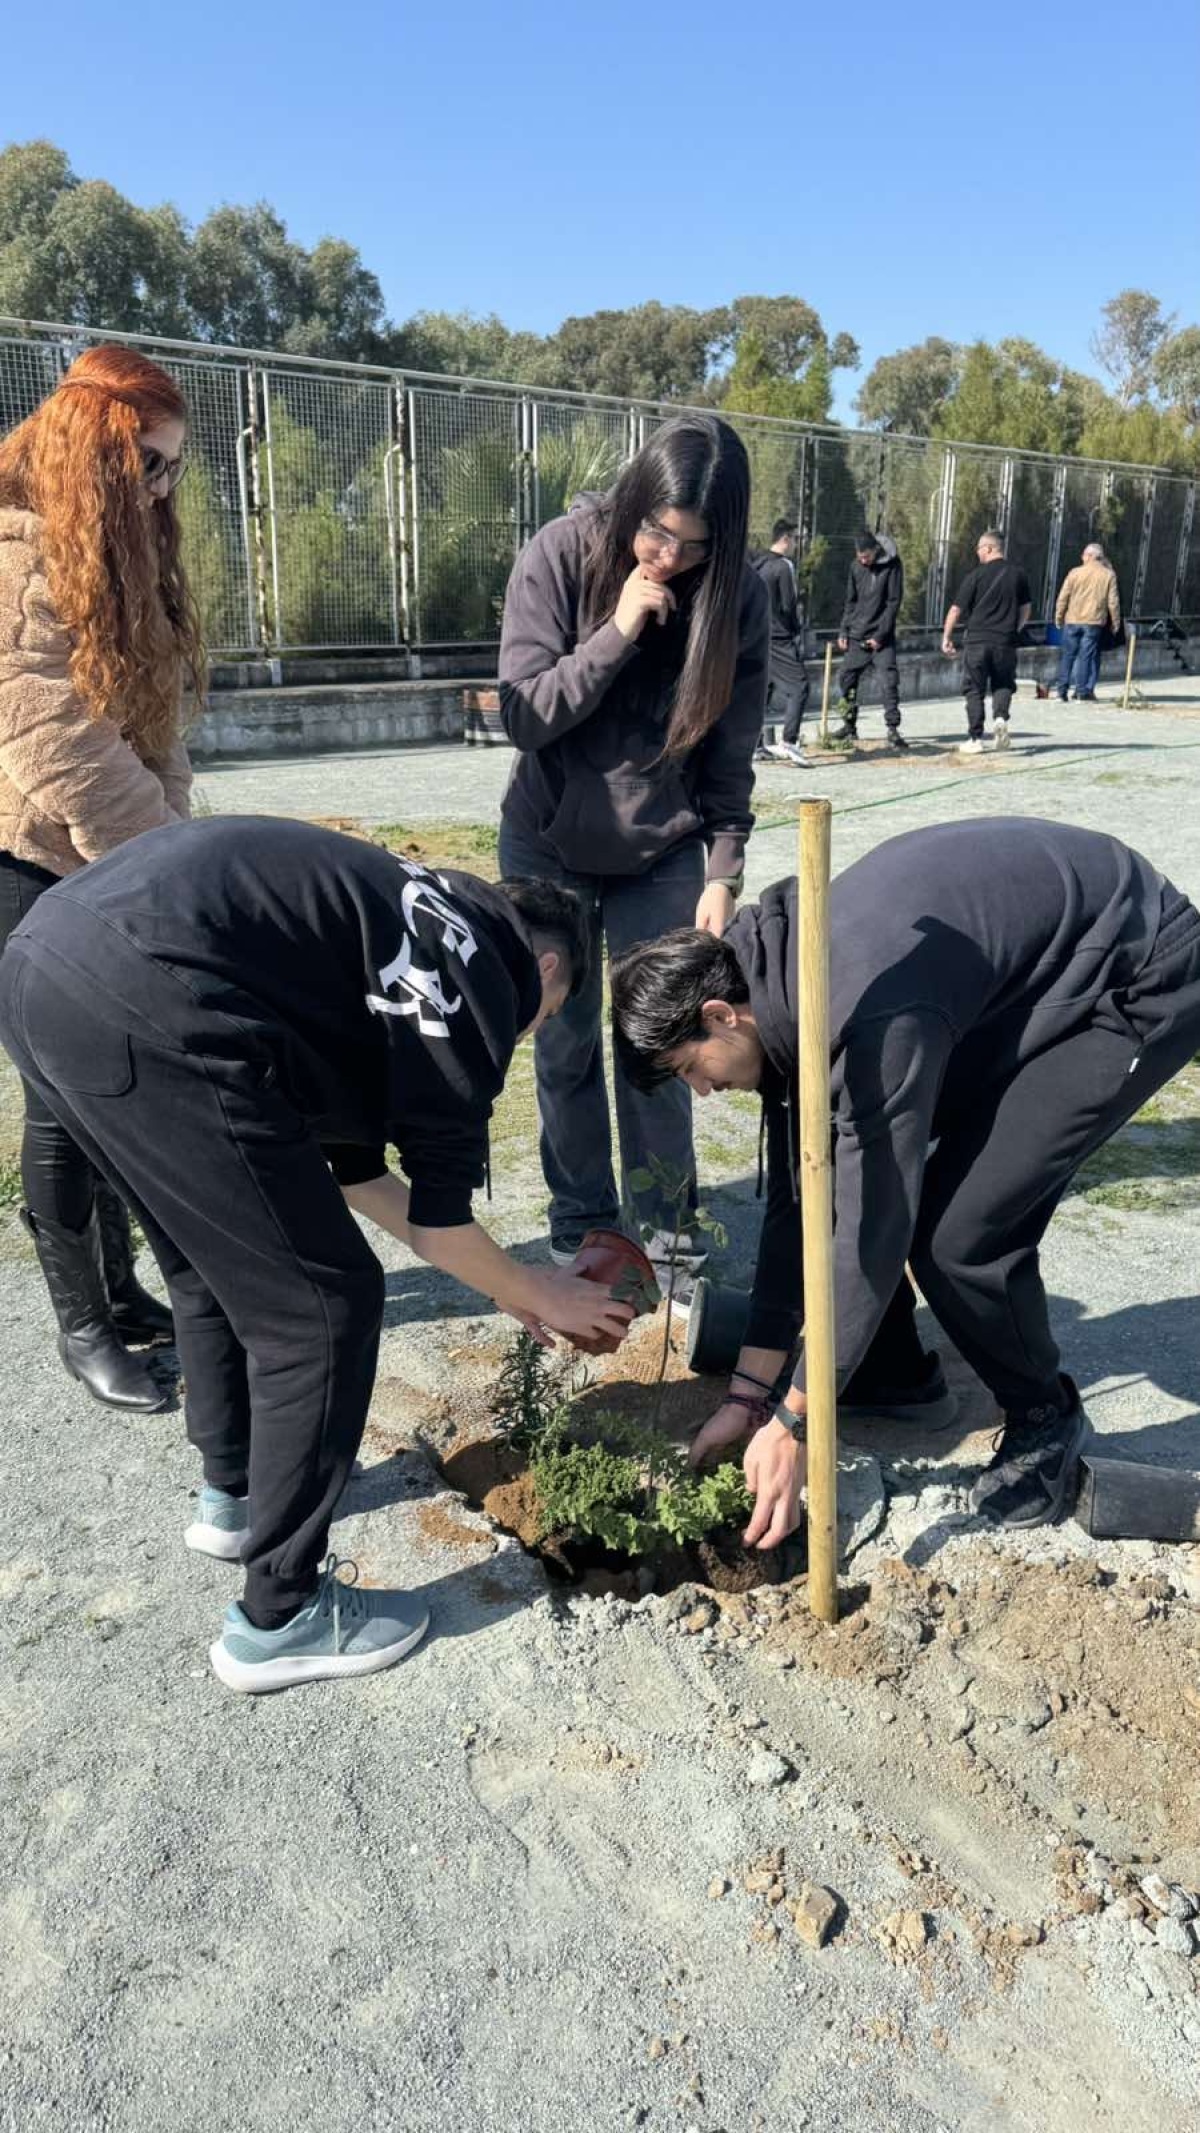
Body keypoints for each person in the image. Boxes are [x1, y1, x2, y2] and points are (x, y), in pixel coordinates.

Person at [0, 817, 633, 1691]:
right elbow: (439, 1222)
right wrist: (537, 1287)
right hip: (149, 988)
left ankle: (236, 1495)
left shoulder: (407, 917)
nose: (525, 1037)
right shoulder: (481, 975)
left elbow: (357, 1177)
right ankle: (282, 1615)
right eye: (546, 1020)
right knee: (323, 1307)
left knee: (207, 1259)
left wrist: (505, 1283)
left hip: (41, 961)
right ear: (548, 968)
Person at [611, 817, 1200, 1550]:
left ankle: (1045, 1418)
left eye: (688, 1070)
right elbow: (801, 1201)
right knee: (849, 1186)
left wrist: (797, 1422)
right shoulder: (772, 986)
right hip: (1024, 969)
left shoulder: (863, 1016)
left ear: (719, 1016)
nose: (701, 1091)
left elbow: (873, 1225)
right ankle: (890, 1370)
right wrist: (751, 1395)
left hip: (1133, 972)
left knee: (960, 1234)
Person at [497, 412, 768, 1305]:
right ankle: (585, 1223)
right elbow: (524, 715)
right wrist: (614, 632)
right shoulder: (559, 553)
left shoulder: (738, 596)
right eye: (656, 532)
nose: (668, 557)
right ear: (633, 501)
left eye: (694, 546)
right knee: (564, 1043)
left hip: (665, 849)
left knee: (657, 1047)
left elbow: (731, 752)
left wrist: (723, 869)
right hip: (548, 843)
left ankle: (669, 1237)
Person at [0, 343, 202, 1415]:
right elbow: (56, 738)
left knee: (107, 1087)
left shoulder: (114, 556)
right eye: (149, 466)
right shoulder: (12, 552)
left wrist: (177, 843)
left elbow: (152, 724)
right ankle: (83, 1322)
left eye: (174, 468)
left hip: (102, 861)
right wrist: (156, 865)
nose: (163, 490)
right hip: (20, 859)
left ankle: (121, 1294)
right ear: (94, 454)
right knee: (62, 1099)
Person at [942, 530, 1031, 754]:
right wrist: (1015, 629)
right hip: (1005, 641)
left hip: (977, 641)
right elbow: (1026, 609)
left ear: (989, 548)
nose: (977, 552)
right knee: (1003, 683)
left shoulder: (975, 576)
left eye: (979, 548)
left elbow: (956, 609)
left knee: (974, 688)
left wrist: (947, 637)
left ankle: (975, 738)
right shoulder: (1018, 575)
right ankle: (1000, 719)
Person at [831, 530, 908, 751]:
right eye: (859, 557)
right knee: (846, 678)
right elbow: (851, 601)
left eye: (866, 557)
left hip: (882, 639)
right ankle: (849, 725)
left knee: (888, 681)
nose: (862, 561)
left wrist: (879, 636)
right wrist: (843, 631)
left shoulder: (893, 566)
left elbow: (893, 603)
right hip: (857, 635)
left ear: (875, 550)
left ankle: (893, 729)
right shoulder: (855, 567)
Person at [750, 518, 810, 765]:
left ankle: (754, 746)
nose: (796, 544)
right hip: (779, 638)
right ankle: (789, 741)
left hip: (757, 635)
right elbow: (789, 605)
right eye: (795, 539)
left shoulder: (759, 564)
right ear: (786, 539)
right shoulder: (784, 566)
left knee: (762, 691)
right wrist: (796, 631)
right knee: (800, 687)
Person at [1054, 542, 1121, 703]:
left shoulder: (1075, 572)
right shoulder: (1108, 575)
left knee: (1068, 656)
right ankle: (1081, 692)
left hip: (1073, 619)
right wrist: (1115, 622)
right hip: (1094, 621)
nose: (1082, 557)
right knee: (1086, 657)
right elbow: (1113, 602)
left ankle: (1061, 691)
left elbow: (1063, 596)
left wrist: (1059, 616)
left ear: (1090, 556)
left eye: (1084, 554)